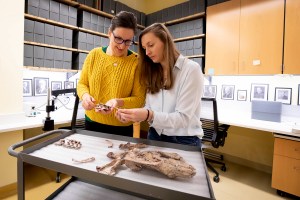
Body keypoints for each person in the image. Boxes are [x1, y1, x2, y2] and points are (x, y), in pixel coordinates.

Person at [116, 23, 204, 146]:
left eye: (151, 45)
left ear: (165, 41)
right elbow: (149, 107)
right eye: (144, 48)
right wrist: (132, 115)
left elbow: (183, 119)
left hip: (183, 140)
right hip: (154, 135)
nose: (147, 52)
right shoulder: (153, 71)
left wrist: (148, 115)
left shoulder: (191, 69)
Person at [77, 11, 146, 137]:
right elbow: (82, 84)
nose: (121, 46)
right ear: (109, 33)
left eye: (127, 41)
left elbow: (139, 99)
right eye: (118, 39)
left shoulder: (136, 62)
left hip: (122, 129)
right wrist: (85, 96)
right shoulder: (94, 55)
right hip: (92, 123)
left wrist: (117, 102)